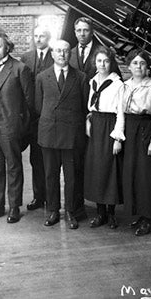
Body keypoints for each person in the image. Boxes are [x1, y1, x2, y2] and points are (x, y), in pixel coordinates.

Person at [112, 48, 151, 236]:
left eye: (142, 63)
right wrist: (118, 137)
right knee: (133, 174)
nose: (138, 66)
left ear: (147, 66)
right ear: (129, 66)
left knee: (147, 176)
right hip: (130, 130)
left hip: (146, 130)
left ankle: (150, 218)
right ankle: (140, 213)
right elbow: (120, 113)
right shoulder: (124, 86)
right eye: (135, 63)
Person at [0, 30, 33, 224]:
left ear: (7, 47)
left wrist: (21, 128)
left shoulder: (20, 69)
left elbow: (29, 103)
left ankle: (14, 207)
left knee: (13, 166)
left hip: (10, 126)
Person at [35, 40, 89, 230]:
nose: (62, 54)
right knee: (50, 174)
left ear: (70, 54)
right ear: (52, 54)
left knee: (71, 175)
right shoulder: (42, 77)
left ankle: (70, 211)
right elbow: (37, 105)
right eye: (58, 51)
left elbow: (84, 107)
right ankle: (52, 210)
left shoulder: (81, 77)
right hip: (49, 133)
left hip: (71, 135)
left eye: (66, 51)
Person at [84, 46, 124, 229]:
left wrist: (117, 137)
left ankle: (111, 213)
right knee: (97, 170)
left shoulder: (117, 84)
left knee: (110, 170)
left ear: (111, 63)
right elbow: (90, 108)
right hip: (95, 127)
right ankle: (100, 212)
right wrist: (88, 121)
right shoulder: (92, 81)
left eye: (106, 61)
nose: (102, 64)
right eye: (99, 61)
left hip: (109, 126)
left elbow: (120, 113)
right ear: (95, 62)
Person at [69, 16, 101, 220]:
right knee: (75, 165)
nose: (82, 34)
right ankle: (77, 207)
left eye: (86, 30)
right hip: (74, 119)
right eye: (79, 30)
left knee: (97, 163)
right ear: (75, 32)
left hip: (95, 117)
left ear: (92, 32)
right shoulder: (69, 53)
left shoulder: (103, 53)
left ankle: (102, 209)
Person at [19, 25, 53, 212]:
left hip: (49, 115)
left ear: (49, 37)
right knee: (35, 159)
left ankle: (51, 198)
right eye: (36, 36)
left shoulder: (56, 55)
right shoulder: (26, 58)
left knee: (50, 159)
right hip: (32, 118)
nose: (39, 39)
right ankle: (38, 196)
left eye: (42, 36)